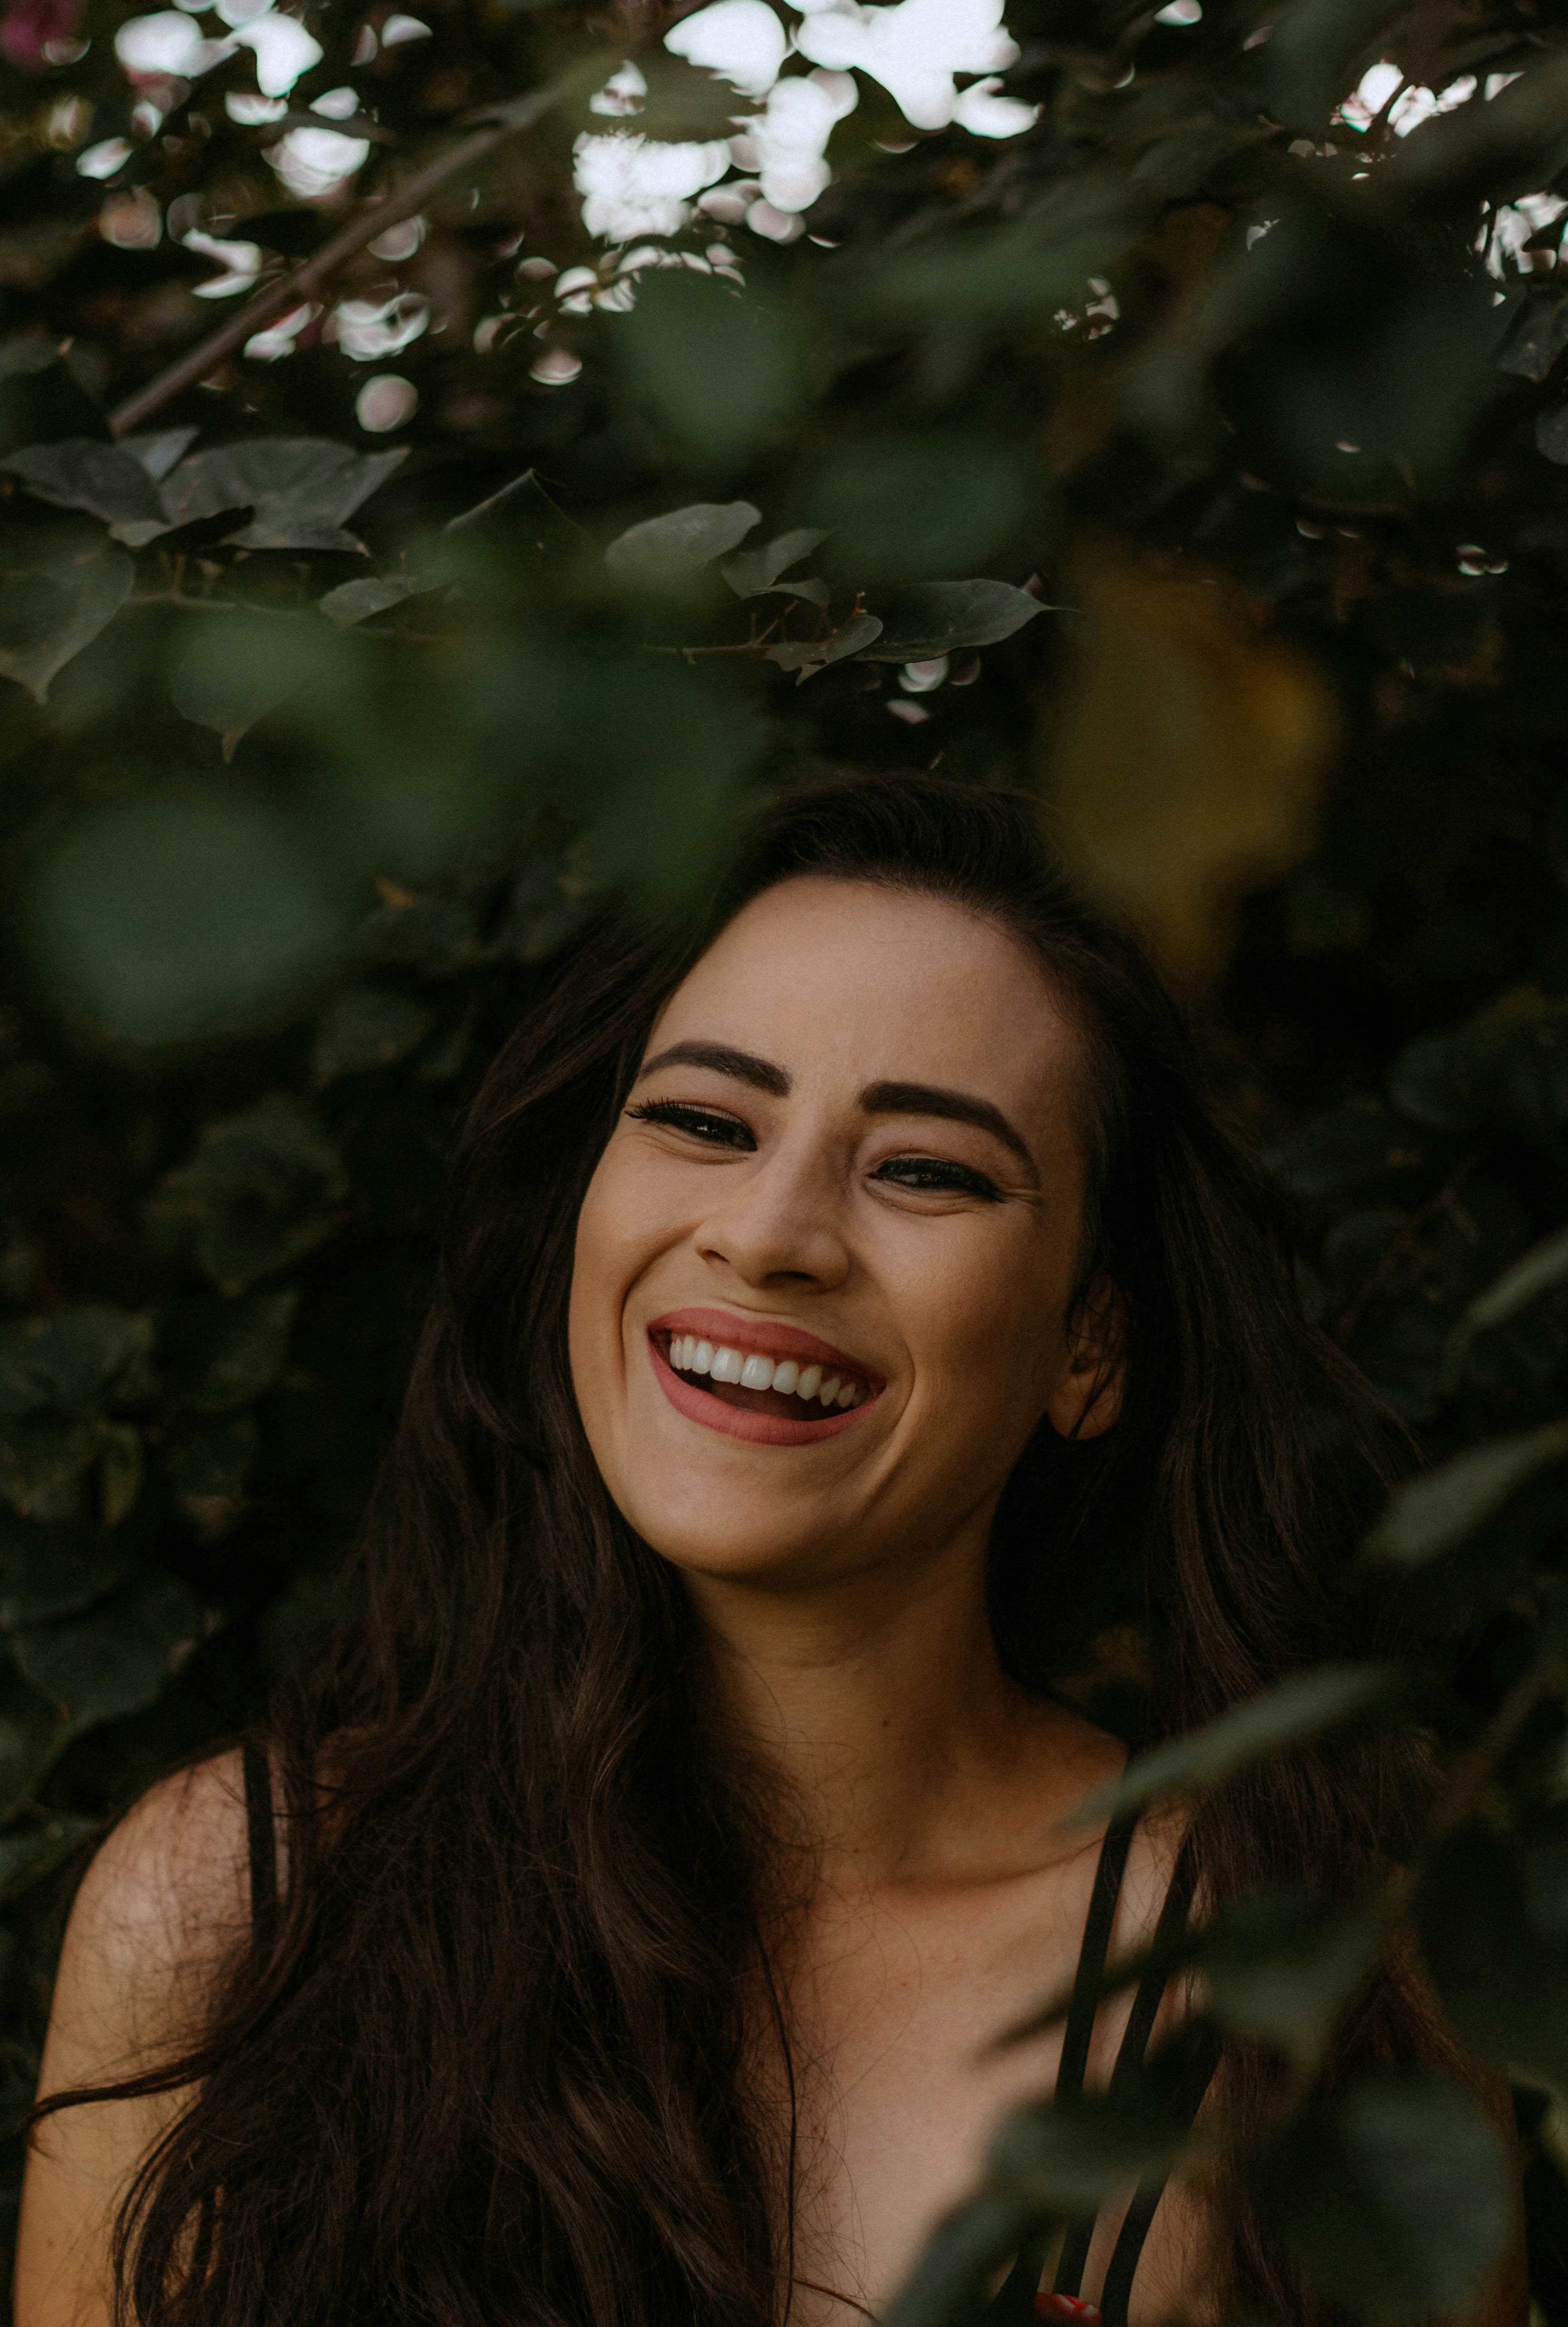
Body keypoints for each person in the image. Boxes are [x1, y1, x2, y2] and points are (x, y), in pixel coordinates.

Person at [13, 776, 1507, 2327]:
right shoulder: (236, 1912)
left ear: (1091, 1343)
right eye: (702, 1122)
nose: (773, 1231)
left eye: (926, 1167)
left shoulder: (1288, 1993)